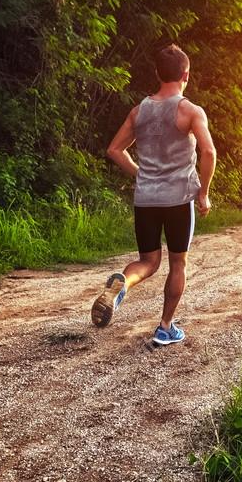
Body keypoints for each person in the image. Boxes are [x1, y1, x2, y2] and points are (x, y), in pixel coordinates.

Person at [91, 44, 216, 346]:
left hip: (145, 199)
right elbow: (209, 151)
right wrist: (204, 193)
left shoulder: (139, 111)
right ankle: (165, 327)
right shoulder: (190, 110)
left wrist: (141, 174)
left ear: (158, 74)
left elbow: (114, 150)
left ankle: (123, 284)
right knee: (177, 263)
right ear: (186, 74)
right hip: (178, 199)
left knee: (147, 261)